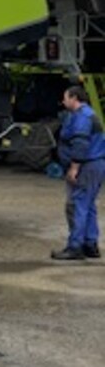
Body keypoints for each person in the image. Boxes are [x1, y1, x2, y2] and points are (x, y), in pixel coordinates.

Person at [51, 85, 105, 260]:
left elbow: (80, 144)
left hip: (86, 166)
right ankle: (90, 244)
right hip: (95, 165)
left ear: (74, 98)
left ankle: (75, 247)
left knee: (78, 205)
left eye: (66, 98)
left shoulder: (82, 118)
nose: (63, 101)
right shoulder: (89, 114)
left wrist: (74, 168)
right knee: (88, 205)